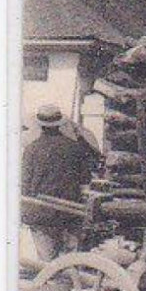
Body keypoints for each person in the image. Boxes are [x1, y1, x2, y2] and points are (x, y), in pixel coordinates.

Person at [21, 103, 99, 262]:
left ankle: (52, 285)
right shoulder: (75, 148)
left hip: (41, 216)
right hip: (70, 214)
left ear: (40, 125)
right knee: (69, 263)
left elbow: (25, 187)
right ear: (60, 124)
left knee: (47, 264)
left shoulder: (31, 149)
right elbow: (86, 181)